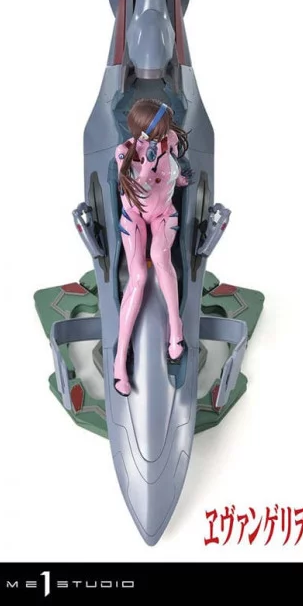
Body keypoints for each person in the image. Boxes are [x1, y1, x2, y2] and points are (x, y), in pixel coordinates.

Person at [113, 98, 191, 396]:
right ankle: (120, 360)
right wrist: (146, 165)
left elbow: (173, 170)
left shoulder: (170, 140)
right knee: (138, 277)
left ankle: (176, 328)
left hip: (163, 213)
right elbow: (136, 190)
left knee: (160, 256)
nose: (167, 132)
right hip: (134, 214)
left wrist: (179, 180)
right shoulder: (124, 153)